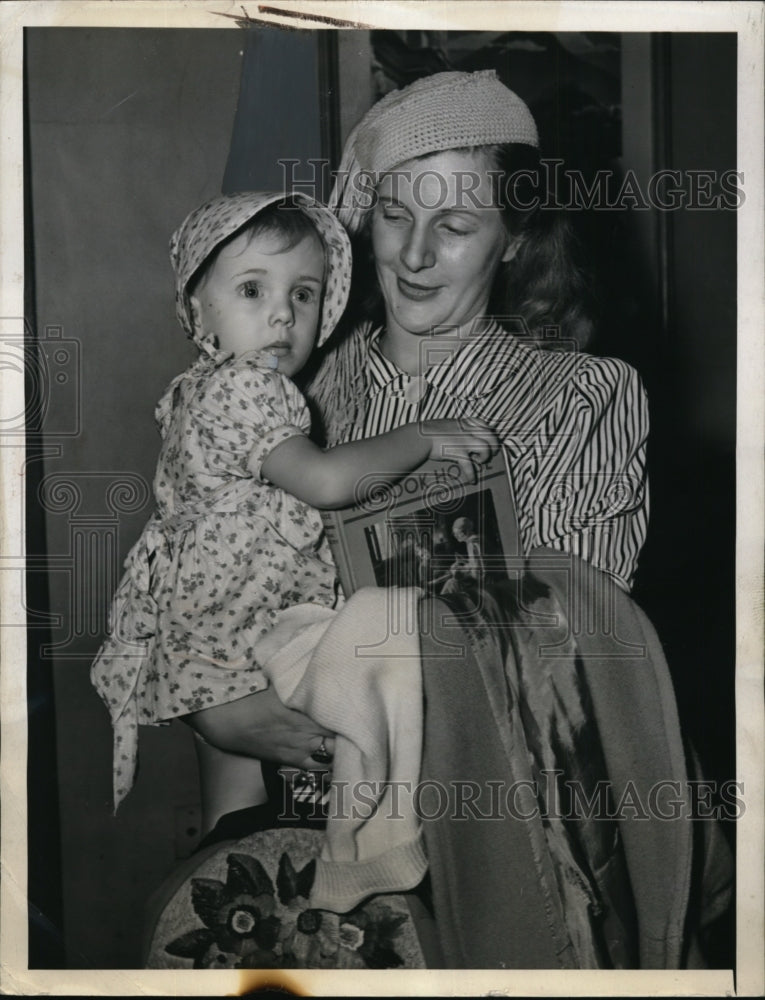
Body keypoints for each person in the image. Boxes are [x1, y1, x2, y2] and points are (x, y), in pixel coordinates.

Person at [301, 69, 732, 968]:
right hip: (303, 833)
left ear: (511, 240)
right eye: (392, 216)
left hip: (509, 833)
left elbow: (568, 654)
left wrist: (324, 702)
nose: (415, 255)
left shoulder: (581, 396)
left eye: (455, 227)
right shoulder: (295, 394)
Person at [89, 189, 497, 861]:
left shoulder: (199, 386)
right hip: (248, 625)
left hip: (208, 629)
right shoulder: (249, 387)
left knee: (244, 825)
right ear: (198, 310)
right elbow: (328, 483)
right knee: (381, 664)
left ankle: (248, 863)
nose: (282, 312)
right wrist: (420, 438)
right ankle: (374, 851)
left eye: (304, 294)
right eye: (252, 289)